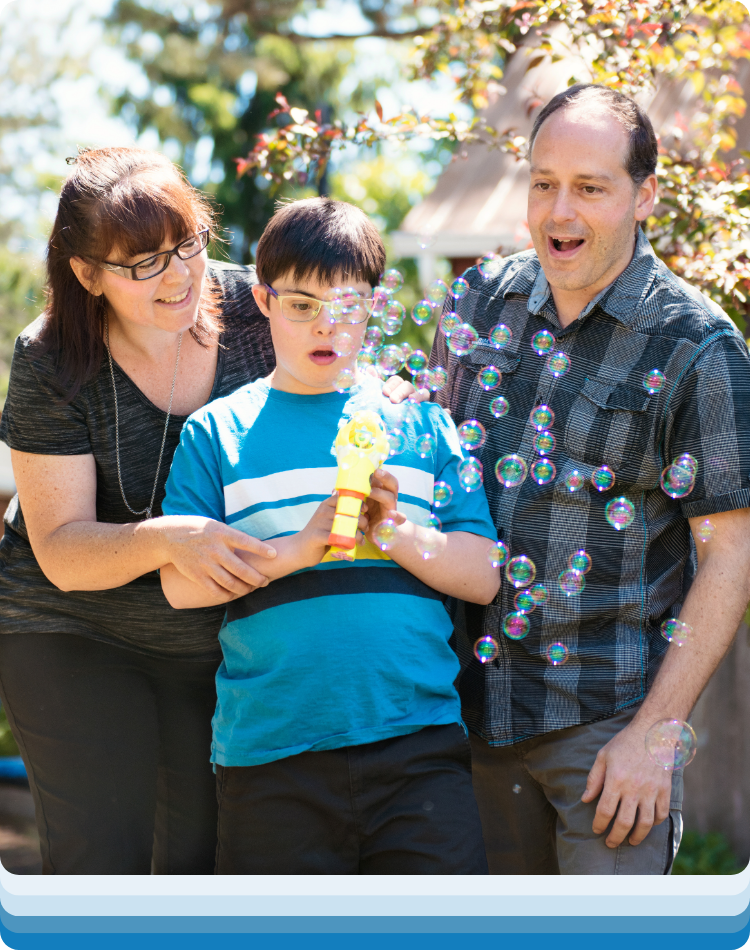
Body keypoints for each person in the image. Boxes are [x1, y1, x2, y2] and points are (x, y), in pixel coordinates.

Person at [0, 147, 417, 874]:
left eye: (187, 244)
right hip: (71, 628)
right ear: (87, 273)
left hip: (210, 636)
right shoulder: (50, 359)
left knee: (197, 861)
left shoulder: (256, 309)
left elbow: (342, 357)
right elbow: (61, 550)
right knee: (103, 854)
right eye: (144, 263)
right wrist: (170, 537)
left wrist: (391, 400)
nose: (179, 275)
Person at [428, 83, 750, 875]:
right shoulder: (477, 303)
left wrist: (655, 734)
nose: (558, 212)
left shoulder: (698, 347)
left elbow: (732, 557)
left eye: (590, 188)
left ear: (645, 196)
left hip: (606, 739)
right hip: (463, 724)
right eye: (543, 183)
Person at [160, 197, 499, 874]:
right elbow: (180, 585)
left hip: (418, 748)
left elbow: (485, 573)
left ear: (374, 303)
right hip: (272, 755)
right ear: (262, 299)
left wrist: (397, 531)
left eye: (346, 304)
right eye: (301, 304)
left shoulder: (421, 425)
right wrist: (302, 546)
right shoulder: (219, 432)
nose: (326, 325)